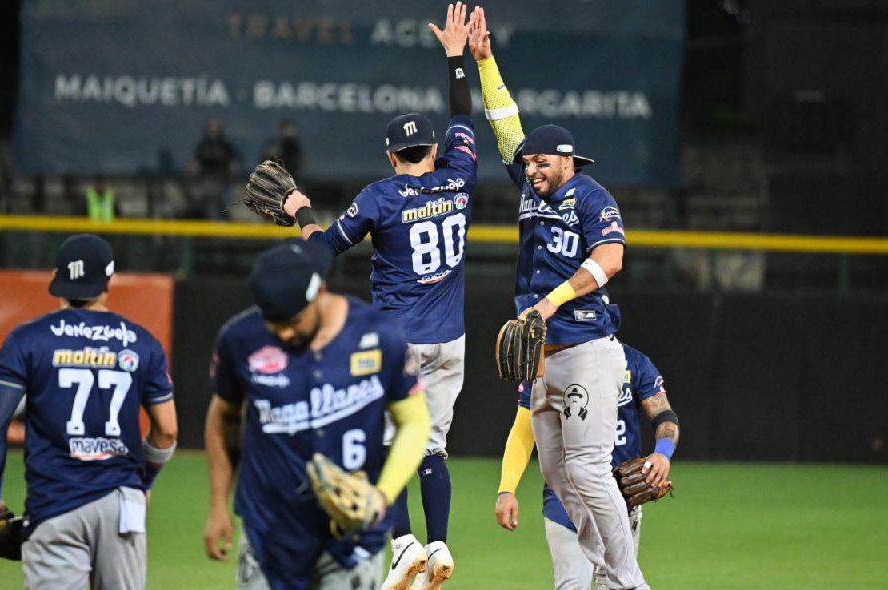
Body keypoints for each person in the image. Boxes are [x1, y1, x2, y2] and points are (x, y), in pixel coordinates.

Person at [280, 5, 477, 588]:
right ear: (435, 151)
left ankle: (404, 544)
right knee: (431, 449)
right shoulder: (459, 177)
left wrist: (300, 214)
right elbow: (463, 112)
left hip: (400, 340)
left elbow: (322, 255)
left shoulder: (381, 195)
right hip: (452, 340)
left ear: (392, 157)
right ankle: (437, 547)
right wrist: (455, 58)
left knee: (372, 440)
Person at [469, 7, 648, 589]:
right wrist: (485, 62)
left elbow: (613, 259)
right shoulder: (529, 183)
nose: (531, 168)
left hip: (588, 347)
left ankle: (629, 579)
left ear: (567, 161)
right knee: (558, 474)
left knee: (591, 469)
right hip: (543, 358)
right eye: (528, 163)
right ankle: (604, 569)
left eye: (541, 161)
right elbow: (504, 122)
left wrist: (550, 302)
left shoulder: (592, 196)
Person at [203, 239, 431, 590]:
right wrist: (219, 504)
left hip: (351, 537)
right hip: (270, 531)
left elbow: (414, 421)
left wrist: (383, 495)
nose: (285, 332)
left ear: (319, 292)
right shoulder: (240, 340)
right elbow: (223, 420)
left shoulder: (377, 335)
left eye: (293, 320)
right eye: (274, 323)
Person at [0, 233, 178, 590]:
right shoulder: (143, 342)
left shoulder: (28, 340)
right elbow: (167, 430)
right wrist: (142, 483)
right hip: (123, 504)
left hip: (55, 504)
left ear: (58, 280)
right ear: (109, 280)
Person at [495, 343, 681, 589]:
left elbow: (664, 415)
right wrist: (507, 488)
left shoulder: (632, 362)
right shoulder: (548, 366)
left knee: (617, 584)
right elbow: (522, 432)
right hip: (566, 500)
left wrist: (662, 453)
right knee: (572, 585)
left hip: (620, 498)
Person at [190, 117, 238, 219]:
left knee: (223, 209)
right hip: (205, 182)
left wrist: (229, 178)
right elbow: (195, 164)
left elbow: (233, 164)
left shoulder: (225, 145)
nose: (214, 129)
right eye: (212, 127)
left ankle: (223, 227)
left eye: (216, 127)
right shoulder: (203, 145)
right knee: (203, 207)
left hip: (221, 182)